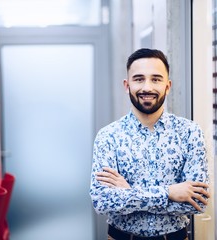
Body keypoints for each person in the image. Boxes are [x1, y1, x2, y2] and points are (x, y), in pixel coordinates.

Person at [89, 48, 210, 240]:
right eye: (138, 79)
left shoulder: (189, 132)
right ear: (127, 85)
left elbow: (197, 202)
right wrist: (169, 192)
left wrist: (129, 194)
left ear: (167, 86)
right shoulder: (108, 136)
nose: (147, 87)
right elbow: (102, 201)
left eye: (156, 79)